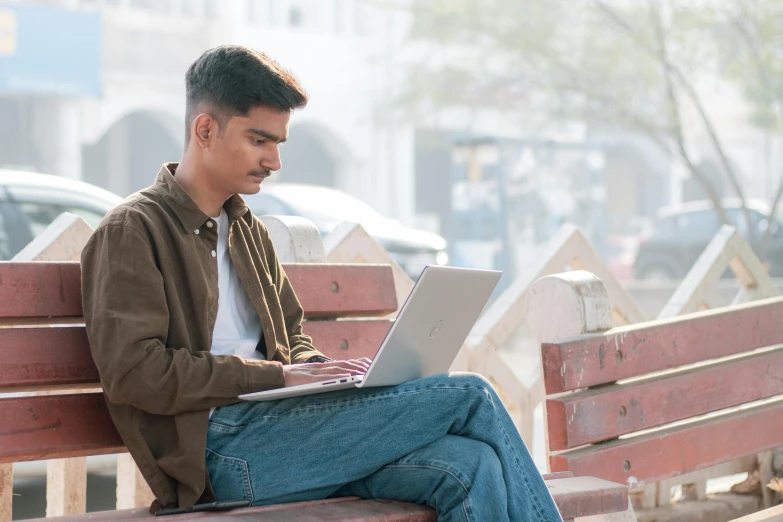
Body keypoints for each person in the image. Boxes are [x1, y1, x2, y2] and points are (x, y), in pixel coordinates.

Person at [81, 45, 562, 522]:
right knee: (471, 395)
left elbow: (292, 342)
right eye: (259, 140)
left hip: (291, 436)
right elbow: (135, 374)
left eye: (278, 144)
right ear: (205, 129)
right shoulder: (133, 231)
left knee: (469, 466)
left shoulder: (247, 230)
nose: (274, 161)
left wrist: (331, 377)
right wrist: (276, 377)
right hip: (222, 457)